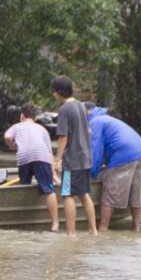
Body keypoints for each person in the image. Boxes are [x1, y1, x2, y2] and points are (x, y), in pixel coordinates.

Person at [88, 106, 141, 233]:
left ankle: (103, 228)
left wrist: (93, 172)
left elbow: (96, 150)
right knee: (135, 193)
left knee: (110, 190)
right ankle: (136, 227)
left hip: (124, 155)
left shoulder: (95, 122)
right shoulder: (109, 119)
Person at [49, 76, 96, 237]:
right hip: (85, 158)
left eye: (54, 91)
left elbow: (63, 137)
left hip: (71, 160)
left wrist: (57, 159)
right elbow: (88, 131)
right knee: (84, 194)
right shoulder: (81, 106)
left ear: (59, 92)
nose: (53, 94)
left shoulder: (64, 109)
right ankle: (93, 231)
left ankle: (71, 234)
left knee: (67, 195)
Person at [4, 103, 59, 231]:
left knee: (25, 186)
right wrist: (55, 176)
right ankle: (55, 224)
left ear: (22, 116)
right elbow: (49, 153)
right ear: (35, 118)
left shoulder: (16, 126)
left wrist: (12, 146)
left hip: (24, 158)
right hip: (41, 156)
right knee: (49, 190)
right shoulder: (42, 129)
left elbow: (7, 136)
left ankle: (23, 221)